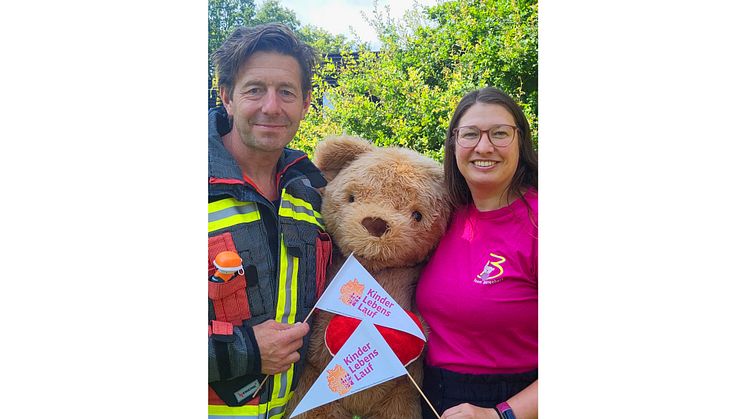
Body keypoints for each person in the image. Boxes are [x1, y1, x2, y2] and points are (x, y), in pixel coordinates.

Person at [208, 23, 332, 418]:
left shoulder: (311, 192)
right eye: (255, 89)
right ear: (226, 96)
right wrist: (246, 351)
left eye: (286, 92)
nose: (272, 107)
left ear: (306, 102)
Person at [415, 87, 538, 419]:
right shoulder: (442, 217)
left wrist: (500, 414)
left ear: (520, 141)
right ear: (454, 143)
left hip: (511, 404)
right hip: (433, 398)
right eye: (470, 134)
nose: (484, 147)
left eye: (499, 134)